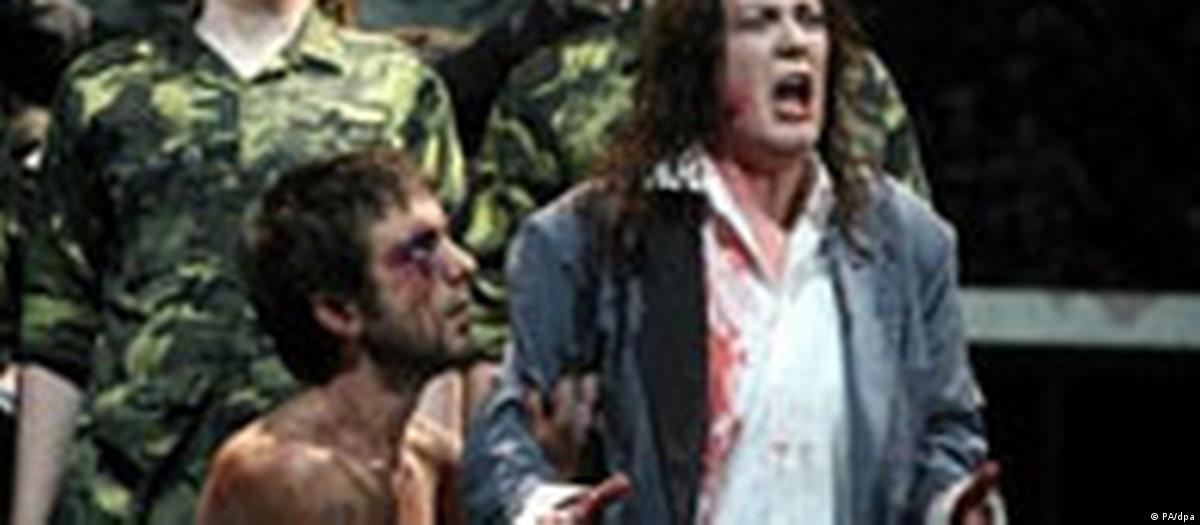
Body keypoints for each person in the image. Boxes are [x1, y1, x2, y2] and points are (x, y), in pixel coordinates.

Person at [464, 0, 1000, 522]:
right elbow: (499, 431)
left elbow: (946, 431)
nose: (794, 42)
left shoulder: (904, 241)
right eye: (760, 21)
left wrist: (949, 506)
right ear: (702, 57)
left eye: (809, 19)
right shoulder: (595, 235)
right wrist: (543, 508)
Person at [9, 0, 465, 521]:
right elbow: (59, 323)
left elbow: (429, 322)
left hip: (324, 488)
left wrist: (424, 500)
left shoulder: (393, 86)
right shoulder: (106, 90)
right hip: (132, 488)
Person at [462, 0, 930, 358]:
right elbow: (493, 324)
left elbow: (912, 289)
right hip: (626, 424)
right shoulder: (557, 91)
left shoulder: (853, 84)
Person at [195, 149, 474, 524]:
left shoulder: (428, 459)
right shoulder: (291, 475)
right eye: (420, 251)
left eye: (446, 239)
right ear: (339, 312)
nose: (463, 266)